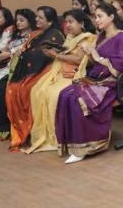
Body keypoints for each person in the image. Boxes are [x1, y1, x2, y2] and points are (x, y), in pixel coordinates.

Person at [55, 3, 123, 164]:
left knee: (79, 99)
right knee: (65, 94)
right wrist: (88, 53)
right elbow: (96, 61)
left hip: (119, 82)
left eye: (100, 16)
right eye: (95, 16)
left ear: (112, 17)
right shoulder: (101, 36)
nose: (96, 20)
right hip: (100, 78)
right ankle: (73, 142)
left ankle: (87, 146)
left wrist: (97, 56)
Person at [23, 9, 97, 154]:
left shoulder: (88, 38)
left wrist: (56, 55)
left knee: (54, 95)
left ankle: (59, 137)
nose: (67, 25)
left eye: (71, 22)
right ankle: (45, 134)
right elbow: (65, 53)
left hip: (75, 75)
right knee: (37, 90)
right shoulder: (70, 37)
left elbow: (79, 60)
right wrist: (55, 52)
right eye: (66, 22)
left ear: (81, 23)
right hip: (60, 72)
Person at [4, 6, 65, 152]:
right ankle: (19, 131)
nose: (36, 19)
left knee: (22, 89)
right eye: (36, 16)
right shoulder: (35, 33)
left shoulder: (54, 34)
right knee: (8, 88)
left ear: (50, 21)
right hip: (27, 69)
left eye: (40, 17)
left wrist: (23, 55)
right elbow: (28, 50)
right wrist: (21, 52)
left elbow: (43, 55)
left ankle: (27, 131)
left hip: (45, 69)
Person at [0, 10, 37, 140]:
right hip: (10, 68)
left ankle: (14, 127)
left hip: (24, 69)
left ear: (30, 21)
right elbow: (0, 51)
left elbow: (12, 53)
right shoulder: (15, 35)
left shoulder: (32, 36)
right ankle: (2, 126)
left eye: (22, 20)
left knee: (3, 87)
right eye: (17, 20)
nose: (18, 23)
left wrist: (6, 54)